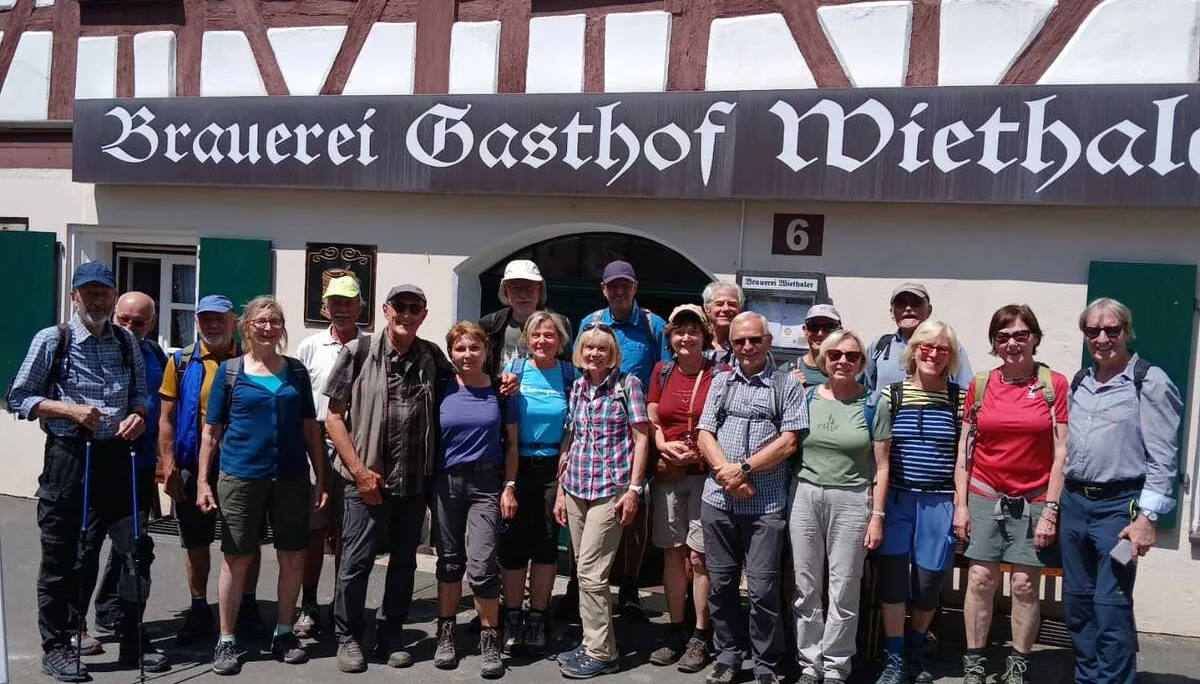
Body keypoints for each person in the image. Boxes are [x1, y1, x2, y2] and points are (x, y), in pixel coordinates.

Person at [7, 261, 150, 682]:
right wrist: (68, 410)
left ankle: (130, 636)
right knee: (63, 555)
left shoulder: (126, 340)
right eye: (88, 292)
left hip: (116, 456)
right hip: (70, 456)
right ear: (74, 296)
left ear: (112, 293)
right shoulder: (54, 339)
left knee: (135, 550)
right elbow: (20, 397)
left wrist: (138, 415)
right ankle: (57, 645)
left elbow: (139, 394)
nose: (97, 299)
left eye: (103, 292)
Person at [323, 284, 455, 673]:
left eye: (415, 307)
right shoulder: (358, 352)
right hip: (367, 482)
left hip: (414, 482)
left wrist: (501, 388)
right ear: (386, 309)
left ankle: (390, 634)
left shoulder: (432, 355)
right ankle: (348, 636)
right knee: (356, 562)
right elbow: (333, 417)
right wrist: (359, 472)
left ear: (424, 314)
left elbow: (464, 388)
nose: (407, 313)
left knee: (403, 564)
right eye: (400, 306)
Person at [195, 296, 329, 675]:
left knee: (292, 556)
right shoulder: (231, 372)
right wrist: (203, 481)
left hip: (290, 478)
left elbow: (309, 429)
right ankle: (226, 639)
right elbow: (211, 432)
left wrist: (319, 475)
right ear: (246, 326)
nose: (268, 328)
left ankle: (284, 632)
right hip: (240, 476)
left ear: (282, 328)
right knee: (237, 558)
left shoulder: (296, 372)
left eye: (274, 321)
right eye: (260, 321)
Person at [1061, 298, 1183, 684]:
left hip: (1118, 511)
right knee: (1078, 604)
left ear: (1127, 332)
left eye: (1111, 330)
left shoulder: (1150, 381)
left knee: (1109, 604)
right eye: (1092, 331)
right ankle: (1087, 678)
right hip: (1075, 505)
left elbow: (1164, 459)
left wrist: (1147, 518)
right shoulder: (1081, 380)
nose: (1101, 338)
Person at [954, 304, 1068, 684]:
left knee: (1023, 584)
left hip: (1034, 498)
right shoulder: (981, 385)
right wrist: (961, 506)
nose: (1012, 343)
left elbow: (1060, 453)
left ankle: (1018, 665)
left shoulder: (1054, 385)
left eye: (1021, 335)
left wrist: (1050, 511)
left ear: (1035, 338)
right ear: (994, 343)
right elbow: (964, 451)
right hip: (985, 493)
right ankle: (974, 662)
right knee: (980, 580)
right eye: (1003, 337)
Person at [696, 311, 807, 684]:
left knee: (762, 589)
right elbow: (704, 434)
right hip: (719, 501)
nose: (747, 347)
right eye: (739, 341)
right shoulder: (721, 382)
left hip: (765, 504)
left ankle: (767, 664)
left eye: (754, 340)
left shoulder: (786, 385)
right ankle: (728, 655)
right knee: (722, 583)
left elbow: (789, 441)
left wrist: (742, 470)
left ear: (768, 342)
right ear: (731, 344)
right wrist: (729, 476)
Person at [158, 294, 266, 646]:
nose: (212, 325)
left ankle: (246, 607)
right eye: (205, 319)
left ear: (233, 320)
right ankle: (199, 607)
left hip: (242, 463)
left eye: (219, 318)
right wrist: (169, 465)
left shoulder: (252, 359)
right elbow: (166, 419)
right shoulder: (181, 362)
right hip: (191, 462)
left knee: (246, 539)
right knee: (195, 540)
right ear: (197, 322)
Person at [72, 292, 169, 672]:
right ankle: (72, 626)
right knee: (85, 548)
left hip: (139, 466)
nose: (130, 327)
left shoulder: (157, 356)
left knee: (133, 552)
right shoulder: (98, 348)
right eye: (125, 319)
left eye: (140, 322)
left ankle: (120, 618)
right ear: (114, 315)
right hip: (97, 464)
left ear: (152, 323)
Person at [791, 329, 890, 684]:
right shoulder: (803, 398)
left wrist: (876, 516)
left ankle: (835, 667)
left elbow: (882, 466)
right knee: (805, 586)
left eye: (851, 356)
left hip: (851, 499)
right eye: (835, 355)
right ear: (824, 359)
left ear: (861, 363)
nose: (842, 361)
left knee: (844, 587)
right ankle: (809, 664)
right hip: (805, 494)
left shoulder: (873, 403)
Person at [553, 322, 651, 678]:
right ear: (581, 351)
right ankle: (591, 639)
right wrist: (562, 490)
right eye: (589, 347)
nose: (595, 353)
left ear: (613, 354)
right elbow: (572, 438)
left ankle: (602, 652)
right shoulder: (578, 387)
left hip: (611, 490)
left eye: (602, 348)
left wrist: (634, 490)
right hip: (577, 486)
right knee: (582, 571)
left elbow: (642, 439)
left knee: (592, 574)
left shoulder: (629, 385)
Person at [872, 320, 963, 684]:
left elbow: (963, 459)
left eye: (942, 348)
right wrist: (876, 514)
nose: (933, 353)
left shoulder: (958, 398)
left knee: (927, 584)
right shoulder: (890, 396)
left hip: (940, 502)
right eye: (926, 346)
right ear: (913, 351)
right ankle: (893, 656)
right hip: (897, 500)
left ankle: (915, 646)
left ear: (951, 356)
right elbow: (881, 462)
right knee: (893, 582)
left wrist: (962, 506)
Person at [578, 260, 668, 621]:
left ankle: (630, 584)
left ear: (635, 287)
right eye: (612, 286)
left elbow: (662, 375)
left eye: (625, 286)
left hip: (636, 428)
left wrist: (654, 425)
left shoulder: (653, 325)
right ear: (603, 289)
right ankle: (580, 585)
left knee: (635, 510)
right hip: (597, 429)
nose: (619, 292)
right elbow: (581, 372)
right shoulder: (591, 323)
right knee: (585, 508)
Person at [431, 321, 517, 678]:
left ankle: (489, 639)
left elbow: (511, 444)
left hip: (486, 483)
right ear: (451, 353)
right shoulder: (440, 387)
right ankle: (446, 634)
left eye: (474, 348)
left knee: (482, 566)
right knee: (449, 562)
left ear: (486, 351)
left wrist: (510, 485)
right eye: (460, 349)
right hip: (446, 482)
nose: (467, 355)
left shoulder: (502, 391)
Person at [293, 275, 369, 638]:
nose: (341, 308)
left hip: (356, 445)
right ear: (324, 307)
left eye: (348, 302)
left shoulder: (370, 347)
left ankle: (343, 603)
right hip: (318, 445)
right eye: (334, 303)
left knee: (348, 533)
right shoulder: (309, 347)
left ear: (360, 307)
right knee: (314, 529)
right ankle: (309, 604)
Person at [646, 305, 720, 672]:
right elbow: (652, 414)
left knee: (699, 556)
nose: (686, 338)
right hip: (670, 474)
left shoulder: (717, 374)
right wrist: (661, 444)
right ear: (670, 338)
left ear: (704, 336)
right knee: (673, 553)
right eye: (679, 332)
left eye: (693, 331)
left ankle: (700, 634)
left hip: (705, 475)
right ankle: (676, 628)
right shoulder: (662, 371)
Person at [499, 311, 576, 656]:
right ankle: (513, 616)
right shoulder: (513, 372)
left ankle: (537, 617)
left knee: (546, 547)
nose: (542, 341)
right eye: (536, 335)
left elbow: (575, 426)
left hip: (553, 469)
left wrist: (564, 471)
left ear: (560, 342)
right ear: (526, 340)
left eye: (550, 335)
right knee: (514, 547)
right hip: (517, 465)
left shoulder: (569, 375)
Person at [865, 283, 972, 406]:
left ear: (929, 310)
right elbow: (864, 390)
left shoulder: (947, 346)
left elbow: (966, 394)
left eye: (916, 303)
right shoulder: (880, 346)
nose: (908, 308)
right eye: (901, 303)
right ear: (892, 313)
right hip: (885, 423)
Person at [480, 259, 573, 377]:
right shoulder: (490, 324)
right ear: (506, 291)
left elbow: (568, 364)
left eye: (529, 288)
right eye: (516, 288)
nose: (523, 295)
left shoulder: (561, 323)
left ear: (539, 291)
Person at [792, 304, 842, 385]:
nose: (820, 333)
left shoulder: (852, 373)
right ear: (805, 330)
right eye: (813, 326)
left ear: (839, 331)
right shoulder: (787, 371)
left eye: (829, 327)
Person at [702, 281, 742, 367]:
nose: (726, 309)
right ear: (707, 309)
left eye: (732, 304)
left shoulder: (750, 344)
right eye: (719, 304)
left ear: (739, 309)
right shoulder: (695, 343)